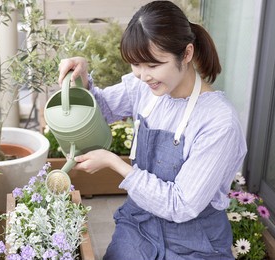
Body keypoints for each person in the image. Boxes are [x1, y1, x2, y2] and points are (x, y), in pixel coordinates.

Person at [58, 1, 247, 259]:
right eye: (136, 64)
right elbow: (100, 110)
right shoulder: (144, 87)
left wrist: (115, 163)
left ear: (187, 53)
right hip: (140, 224)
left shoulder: (219, 122)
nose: (143, 75)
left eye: (153, 65)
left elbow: (180, 205)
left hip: (195, 240)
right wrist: (82, 79)